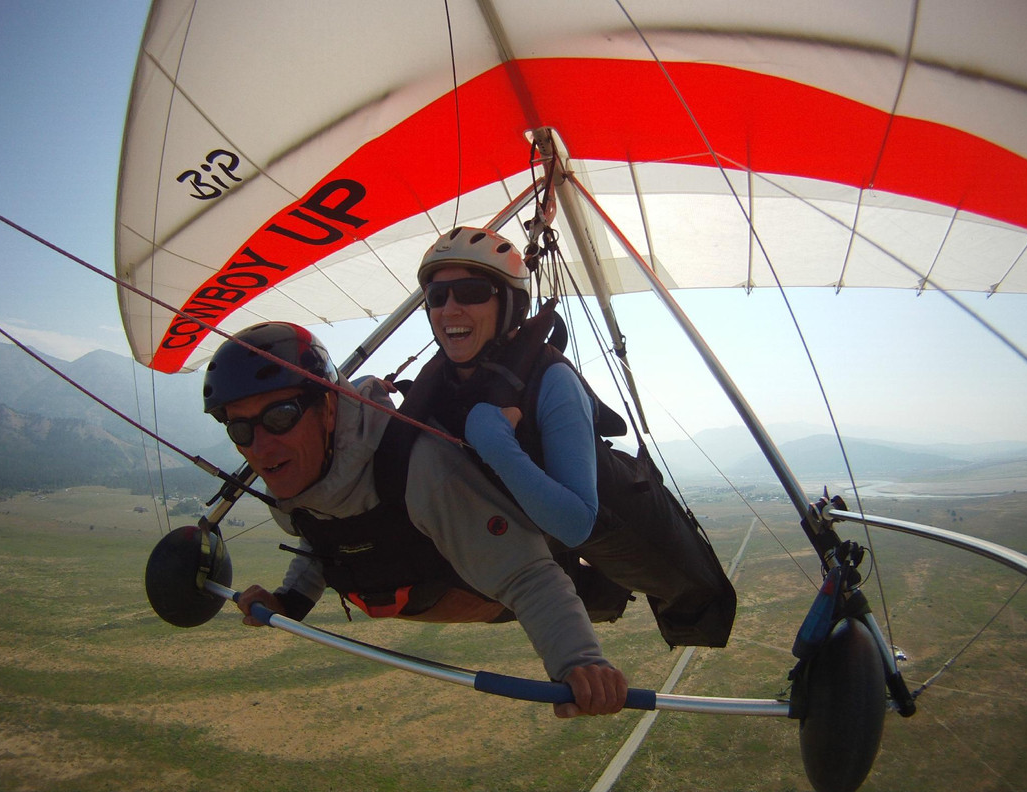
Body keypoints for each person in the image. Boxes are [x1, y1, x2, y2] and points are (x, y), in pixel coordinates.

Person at [201, 321, 627, 718]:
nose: (260, 447)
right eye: (241, 430)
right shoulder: (292, 476)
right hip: (420, 586)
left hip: (486, 586)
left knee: (598, 585)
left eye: (280, 416)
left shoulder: (421, 471)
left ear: (328, 407)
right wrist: (290, 602)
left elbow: (527, 575)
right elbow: (324, 532)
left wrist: (579, 663)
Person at [411, 226, 737, 650]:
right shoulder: (442, 384)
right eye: (437, 297)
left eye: (471, 293)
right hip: (529, 518)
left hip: (611, 515)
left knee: (688, 589)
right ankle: (604, 595)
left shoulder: (553, 380)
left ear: (509, 304)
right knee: (584, 591)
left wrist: (496, 446)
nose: (450, 309)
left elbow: (577, 522)